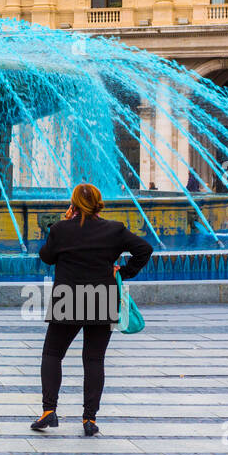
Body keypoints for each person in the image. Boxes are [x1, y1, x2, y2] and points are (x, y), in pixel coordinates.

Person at [33, 183, 152, 437]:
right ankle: (89, 418)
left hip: (69, 298)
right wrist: (125, 271)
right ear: (99, 202)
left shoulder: (61, 229)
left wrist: (61, 228)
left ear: (73, 203)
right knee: (94, 359)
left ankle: (49, 410)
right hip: (102, 297)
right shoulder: (114, 230)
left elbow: (46, 256)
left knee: (53, 353)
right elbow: (144, 249)